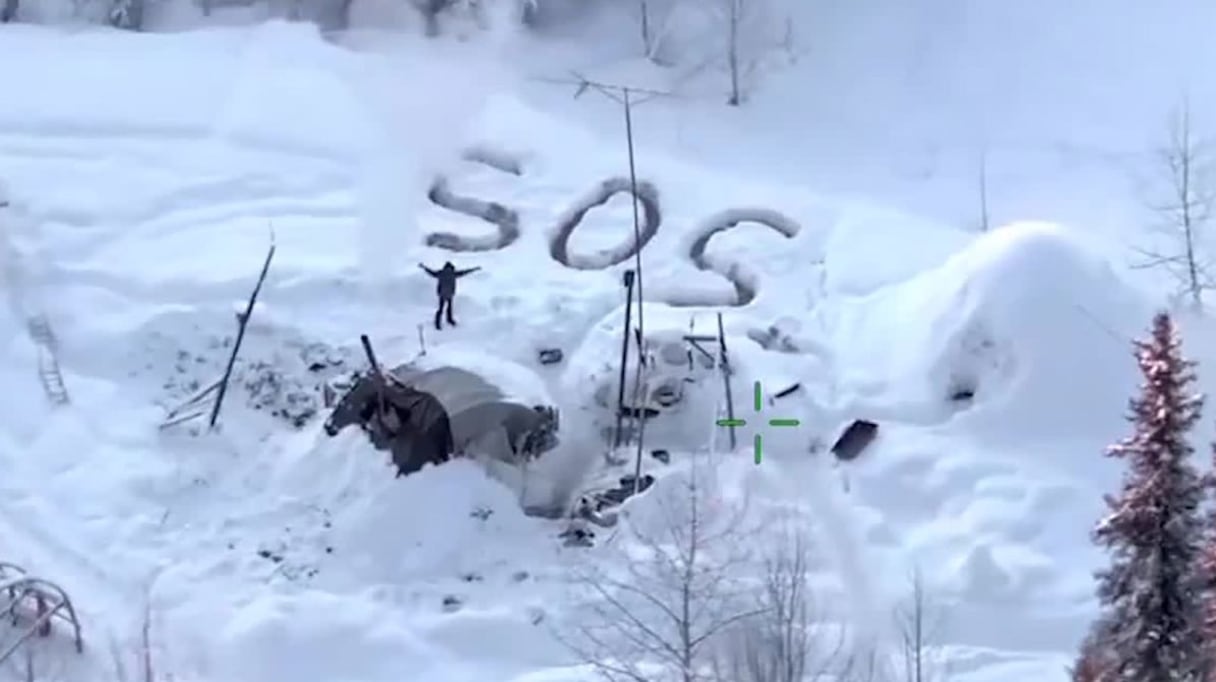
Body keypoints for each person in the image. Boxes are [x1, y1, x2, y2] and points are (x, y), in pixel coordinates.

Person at [419, 261, 481, 330]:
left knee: (440, 309)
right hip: (450, 294)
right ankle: (450, 320)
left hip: (442, 294)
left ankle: (437, 323)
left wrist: (424, 267)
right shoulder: (453, 273)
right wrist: (475, 269)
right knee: (449, 308)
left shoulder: (441, 273)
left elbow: (431, 272)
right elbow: (465, 272)